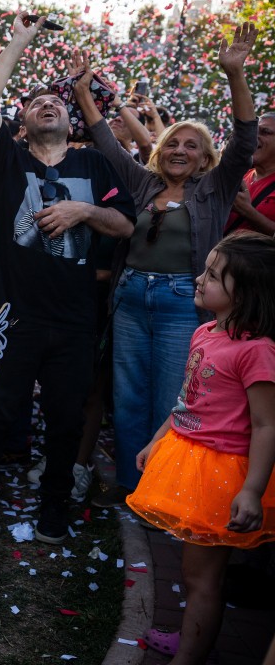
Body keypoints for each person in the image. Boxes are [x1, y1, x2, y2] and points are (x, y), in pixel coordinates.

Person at [0, 11, 135, 544]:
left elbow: (125, 223)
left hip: (77, 318)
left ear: (69, 118)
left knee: (65, 418)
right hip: (17, 313)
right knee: (0, 406)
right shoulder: (9, 162)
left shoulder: (95, 167)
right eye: (35, 102)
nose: (47, 103)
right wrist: (20, 39)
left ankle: (54, 502)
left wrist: (84, 213)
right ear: (23, 122)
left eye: (53, 101)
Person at [77, 27, 259, 506]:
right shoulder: (144, 186)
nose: (179, 150)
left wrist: (234, 73)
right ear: (161, 152)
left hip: (183, 303)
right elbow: (105, 141)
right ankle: (131, 488)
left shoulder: (215, 190)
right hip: (131, 298)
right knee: (129, 396)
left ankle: (162, 491)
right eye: (173, 144)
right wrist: (82, 91)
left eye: (191, 146)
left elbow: (243, 140)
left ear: (205, 159)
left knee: (170, 399)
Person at [127, 232, 275, 665]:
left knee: (202, 578)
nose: (198, 279)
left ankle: (188, 656)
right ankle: (192, 632)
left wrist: (251, 489)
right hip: (188, 455)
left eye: (212, 275)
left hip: (221, 474)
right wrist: (157, 442)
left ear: (244, 293)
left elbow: (267, 425)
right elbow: (187, 398)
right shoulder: (207, 331)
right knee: (194, 573)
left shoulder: (257, 352)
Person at [224, 111, 275, 236]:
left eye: (265, 132)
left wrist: (247, 211)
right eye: (252, 132)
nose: (253, 137)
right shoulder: (241, 176)